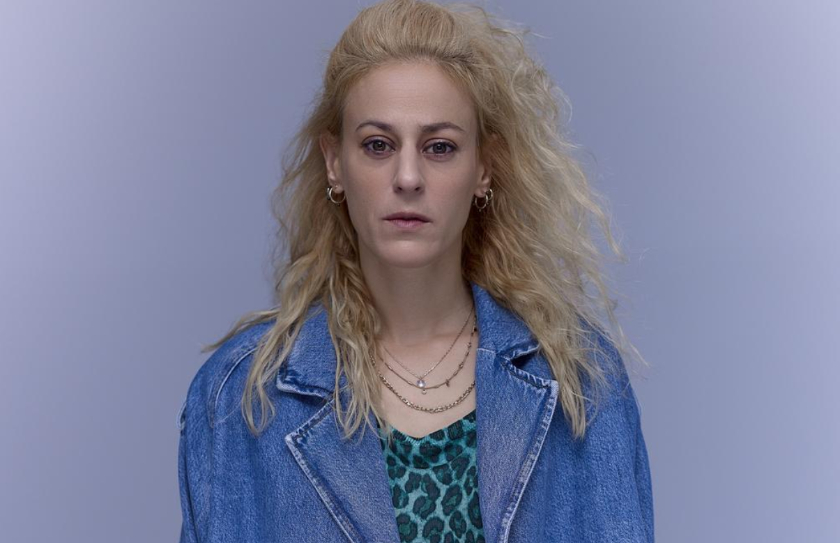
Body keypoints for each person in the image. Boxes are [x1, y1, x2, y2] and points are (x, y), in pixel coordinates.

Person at [177, 0, 654, 541]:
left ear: (484, 167)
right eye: (377, 145)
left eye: (440, 147)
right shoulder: (241, 397)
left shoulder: (581, 382)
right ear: (334, 163)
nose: (407, 177)